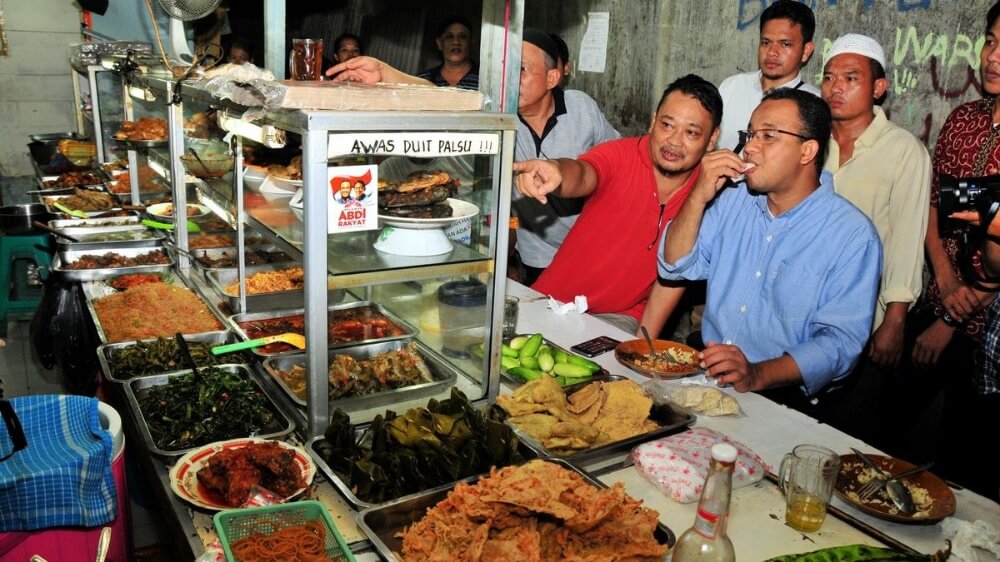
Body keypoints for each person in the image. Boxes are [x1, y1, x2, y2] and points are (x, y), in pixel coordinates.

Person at [658, 88, 882, 413]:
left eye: (769, 136)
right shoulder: (733, 201)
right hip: (709, 377)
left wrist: (757, 373)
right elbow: (674, 265)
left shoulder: (852, 235)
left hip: (785, 397)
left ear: (807, 151)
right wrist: (698, 196)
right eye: (750, 134)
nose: (750, 147)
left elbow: (839, 345)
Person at [514, 74, 720, 335]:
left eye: (691, 132)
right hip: (554, 301)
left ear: (712, 139)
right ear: (653, 120)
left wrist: (641, 346)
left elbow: (675, 274)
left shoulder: (708, 192)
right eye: (667, 125)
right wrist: (556, 171)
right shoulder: (620, 155)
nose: (674, 141)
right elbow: (583, 173)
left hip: (620, 316)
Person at [906, 0, 1000, 501]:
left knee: (970, 473)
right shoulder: (965, 119)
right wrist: (943, 282)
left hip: (988, 333)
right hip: (937, 296)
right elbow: (932, 204)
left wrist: (953, 317)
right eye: (991, 41)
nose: (993, 56)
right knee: (888, 442)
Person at [819, 34, 932, 443]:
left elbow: (907, 239)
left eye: (851, 78)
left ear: (878, 88)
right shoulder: (811, 144)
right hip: (805, 315)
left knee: (846, 436)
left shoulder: (903, 151)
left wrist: (895, 319)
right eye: (829, 77)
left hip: (866, 320)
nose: (836, 87)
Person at [512, 28, 619, 286]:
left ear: (552, 78)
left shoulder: (580, 108)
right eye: (507, 69)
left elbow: (617, 164)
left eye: (521, 69)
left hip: (592, 249)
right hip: (537, 254)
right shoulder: (500, 119)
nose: (510, 79)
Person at [716, 0, 820, 151]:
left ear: (806, 51)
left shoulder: (814, 102)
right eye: (766, 42)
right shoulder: (732, 87)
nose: (772, 52)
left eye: (785, 44)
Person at [417, 16, 479, 90]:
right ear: (439, 43)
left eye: (462, 37)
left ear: (471, 43)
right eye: (449, 36)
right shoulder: (423, 80)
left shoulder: (485, 79)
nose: (456, 42)